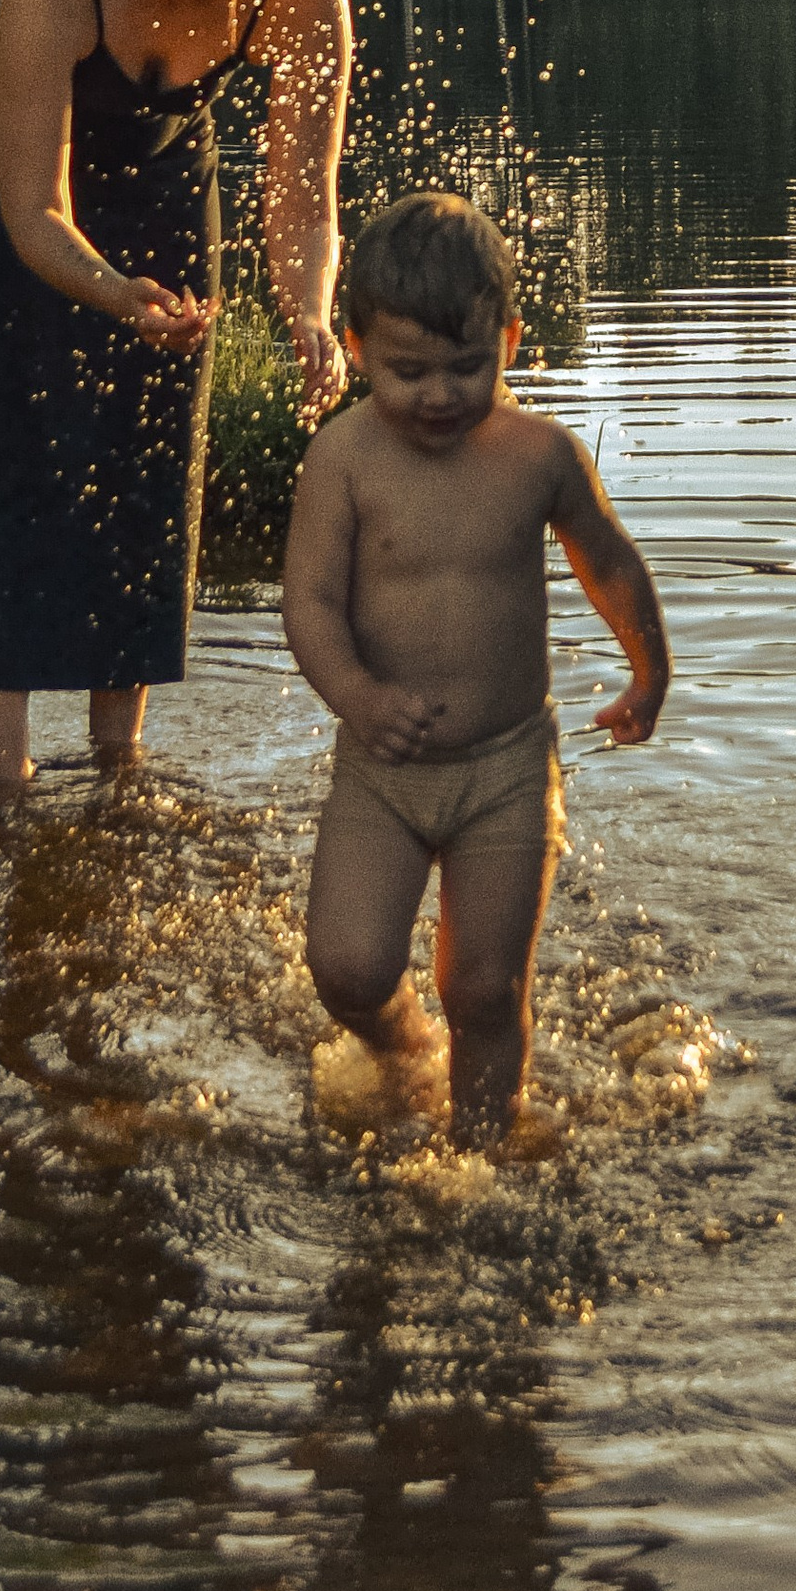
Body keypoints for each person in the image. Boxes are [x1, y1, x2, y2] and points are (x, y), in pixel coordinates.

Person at [0, 0, 351, 805]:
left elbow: (301, 205)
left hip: (157, 157)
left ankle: (119, 761)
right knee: (14, 430)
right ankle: (5, 775)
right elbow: (35, 216)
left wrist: (311, 318)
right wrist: (114, 296)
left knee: (155, 435)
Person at [281, 191, 670, 1150]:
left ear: (510, 337)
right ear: (358, 345)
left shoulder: (539, 455)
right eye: (409, 372)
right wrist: (359, 698)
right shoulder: (343, 459)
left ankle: (484, 1152)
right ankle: (404, 1044)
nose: (442, 395)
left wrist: (647, 672)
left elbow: (610, 560)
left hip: (505, 768)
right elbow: (311, 605)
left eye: (469, 366)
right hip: (384, 770)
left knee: (485, 988)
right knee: (347, 967)